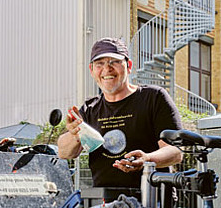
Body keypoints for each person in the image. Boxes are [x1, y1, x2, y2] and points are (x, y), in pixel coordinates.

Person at [58, 37, 183, 188]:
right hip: (104, 204)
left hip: (151, 200)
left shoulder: (154, 98)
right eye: (100, 64)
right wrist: (74, 134)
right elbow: (64, 152)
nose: (107, 69)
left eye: (114, 62)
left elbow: (175, 152)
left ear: (129, 66)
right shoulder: (89, 109)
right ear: (92, 70)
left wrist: (147, 160)